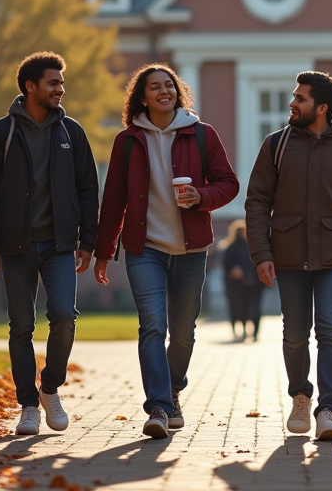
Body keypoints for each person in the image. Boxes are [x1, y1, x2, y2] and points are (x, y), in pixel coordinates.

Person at [94, 63, 239, 439]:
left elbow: (229, 183)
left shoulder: (202, 134)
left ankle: (173, 390)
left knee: (184, 331)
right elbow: (113, 200)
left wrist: (201, 196)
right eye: (155, 87)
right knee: (153, 325)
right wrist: (104, 250)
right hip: (146, 248)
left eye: (169, 85)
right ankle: (158, 406)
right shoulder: (128, 141)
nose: (164, 91)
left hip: (192, 249)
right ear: (142, 97)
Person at [0, 52, 101, 437]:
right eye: (53, 83)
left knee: (63, 316)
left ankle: (50, 387)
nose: (60, 89)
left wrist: (88, 239)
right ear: (31, 86)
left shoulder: (71, 133)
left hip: (60, 244)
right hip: (15, 246)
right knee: (21, 326)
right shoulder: (1, 134)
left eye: (61, 83)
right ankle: (28, 405)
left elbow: (87, 189)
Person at [246, 70, 332, 442]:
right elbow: (257, 202)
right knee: (295, 333)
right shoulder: (276, 145)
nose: (292, 103)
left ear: (320, 108)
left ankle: (328, 410)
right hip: (287, 255)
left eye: (300, 99)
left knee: (330, 330)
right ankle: (301, 396)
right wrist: (260, 252)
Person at [221, 220, 263, 341]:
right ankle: (243, 330)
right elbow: (227, 264)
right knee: (241, 306)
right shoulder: (232, 247)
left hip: (255, 282)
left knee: (255, 307)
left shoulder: (254, 245)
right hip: (238, 284)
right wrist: (233, 270)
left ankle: (254, 333)